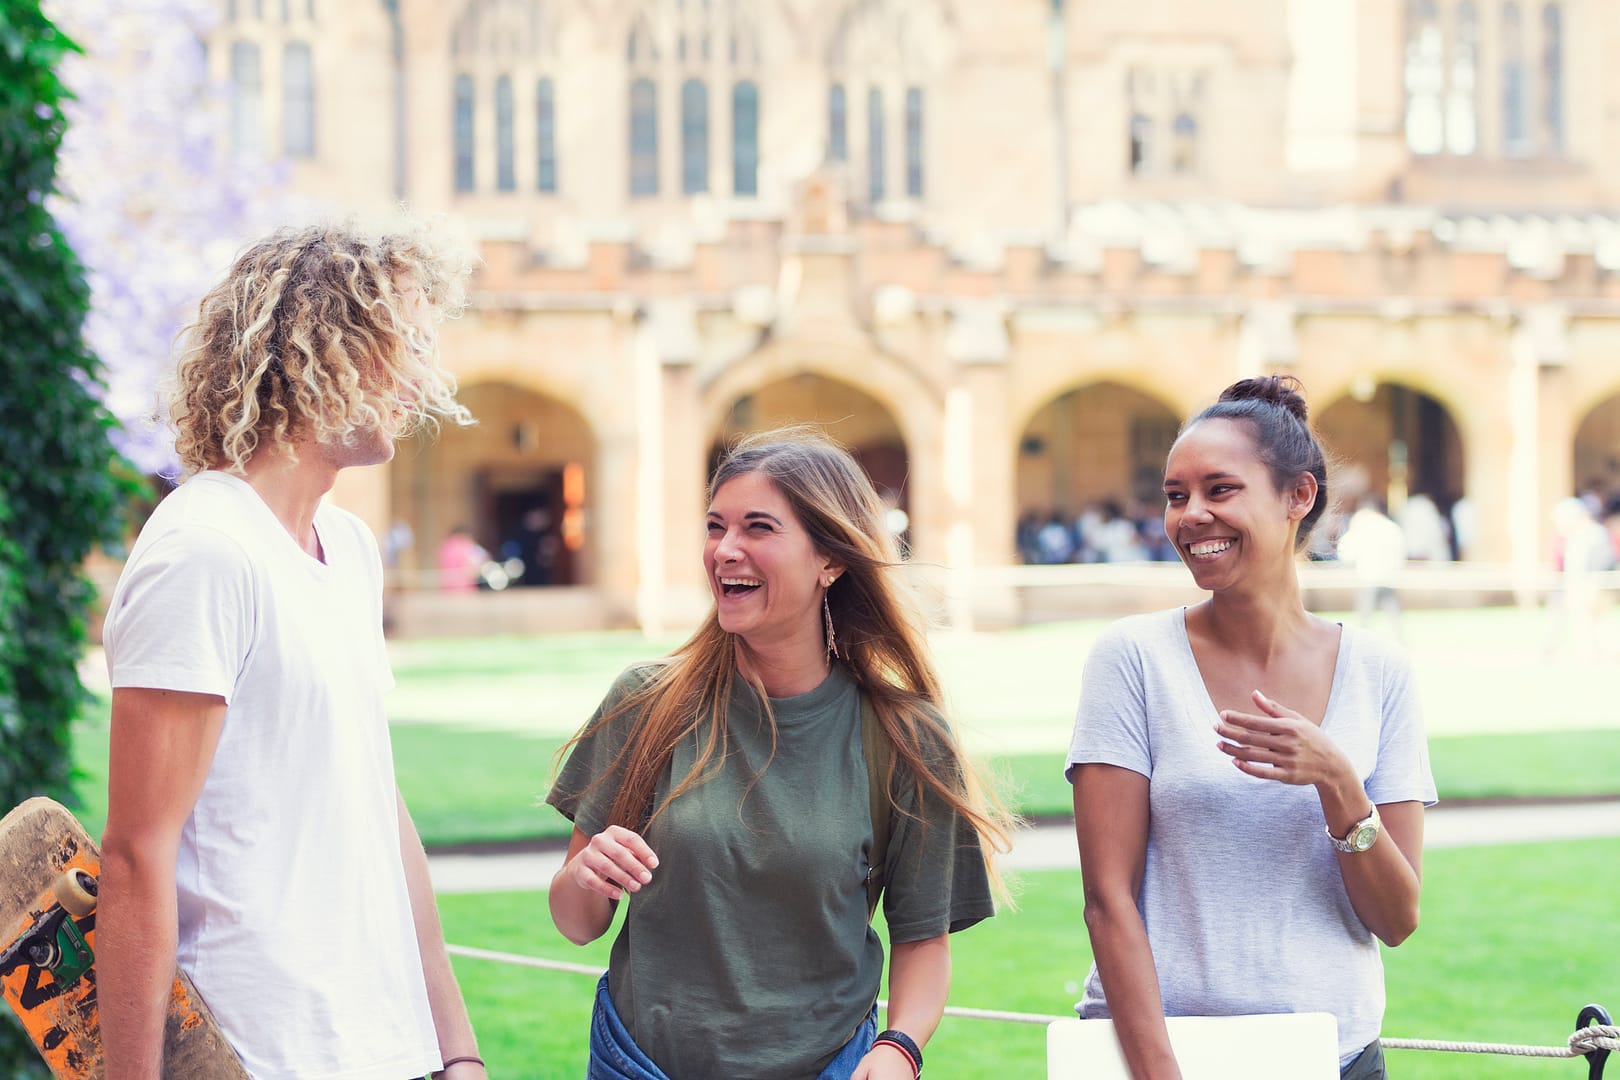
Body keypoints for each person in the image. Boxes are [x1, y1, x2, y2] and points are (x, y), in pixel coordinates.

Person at [98, 222, 486, 1080]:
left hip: (376, 1047)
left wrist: (456, 1046)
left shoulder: (345, 549)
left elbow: (377, 804)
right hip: (252, 1051)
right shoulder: (204, 550)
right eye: (402, 343)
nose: (422, 376)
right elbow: (135, 854)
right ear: (322, 348)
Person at [547, 428, 1013, 1080]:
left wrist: (899, 1047)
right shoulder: (645, 703)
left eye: (758, 528)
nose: (725, 550)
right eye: (716, 527)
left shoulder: (907, 738)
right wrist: (586, 875)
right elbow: (576, 923)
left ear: (830, 560)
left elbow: (922, 941)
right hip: (640, 1064)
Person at [1066, 376, 1436, 1080]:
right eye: (1176, 495)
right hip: (1162, 1058)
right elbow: (1107, 902)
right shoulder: (1134, 660)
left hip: (1333, 1060)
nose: (1191, 516)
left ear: (1299, 496)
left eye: (1220, 489)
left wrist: (1337, 782)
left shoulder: (1380, 673)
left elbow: (1397, 919)